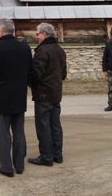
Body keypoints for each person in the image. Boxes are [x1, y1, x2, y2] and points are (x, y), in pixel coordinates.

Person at [0, 19, 32, 178]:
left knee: (3, 134)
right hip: (18, 96)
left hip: (1, 97)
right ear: (13, 31)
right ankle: (19, 165)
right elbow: (30, 71)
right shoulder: (24, 48)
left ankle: (6, 167)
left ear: (0, 31)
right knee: (19, 132)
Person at [28, 22, 67, 167]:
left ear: (44, 34)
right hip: (56, 93)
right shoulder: (59, 49)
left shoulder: (43, 51)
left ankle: (46, 156)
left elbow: (36, 73)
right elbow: (63, 73)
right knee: (55, 124)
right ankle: (57, 154)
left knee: (43, 125)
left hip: (43, 94)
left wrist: (30, 82)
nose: (36, 36)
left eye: (38, 34)